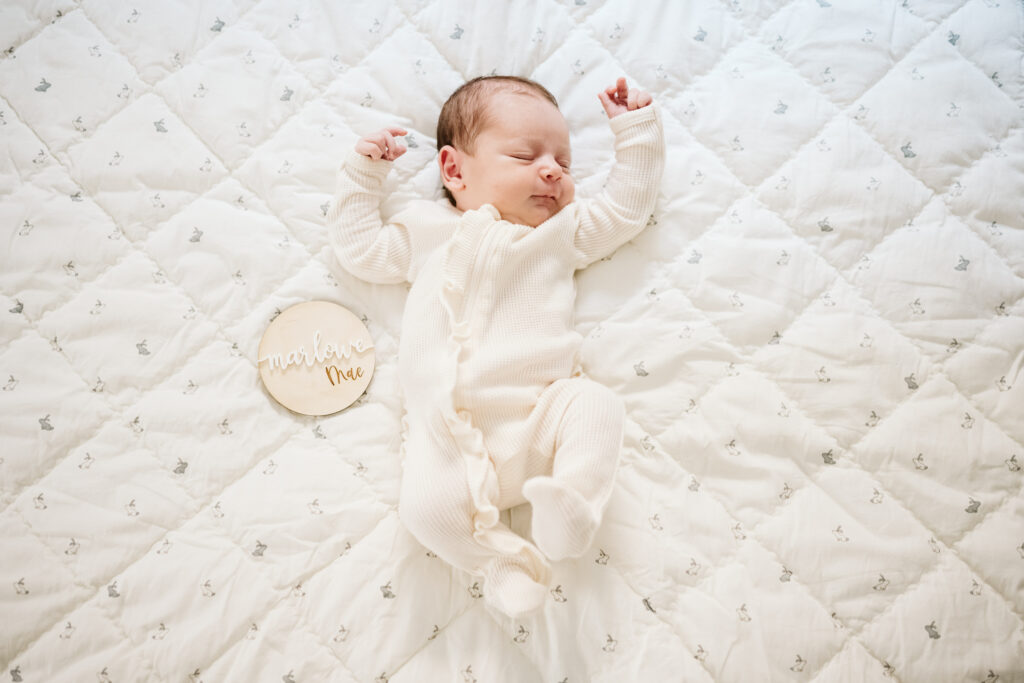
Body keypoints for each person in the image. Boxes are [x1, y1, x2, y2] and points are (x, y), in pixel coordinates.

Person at [328, 75, 664, 617]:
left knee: (597, 406)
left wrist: (637, 132)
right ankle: (499, 562)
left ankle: (572, 501)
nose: (552, 170)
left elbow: (627, 210)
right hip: (447, 445)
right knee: (424, 512)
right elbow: (360, 251)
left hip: (538, 421)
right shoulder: (425, 230)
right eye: (525, 156)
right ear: (454, 170)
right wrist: (364, 175)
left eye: (564, 162)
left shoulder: (561, 233)